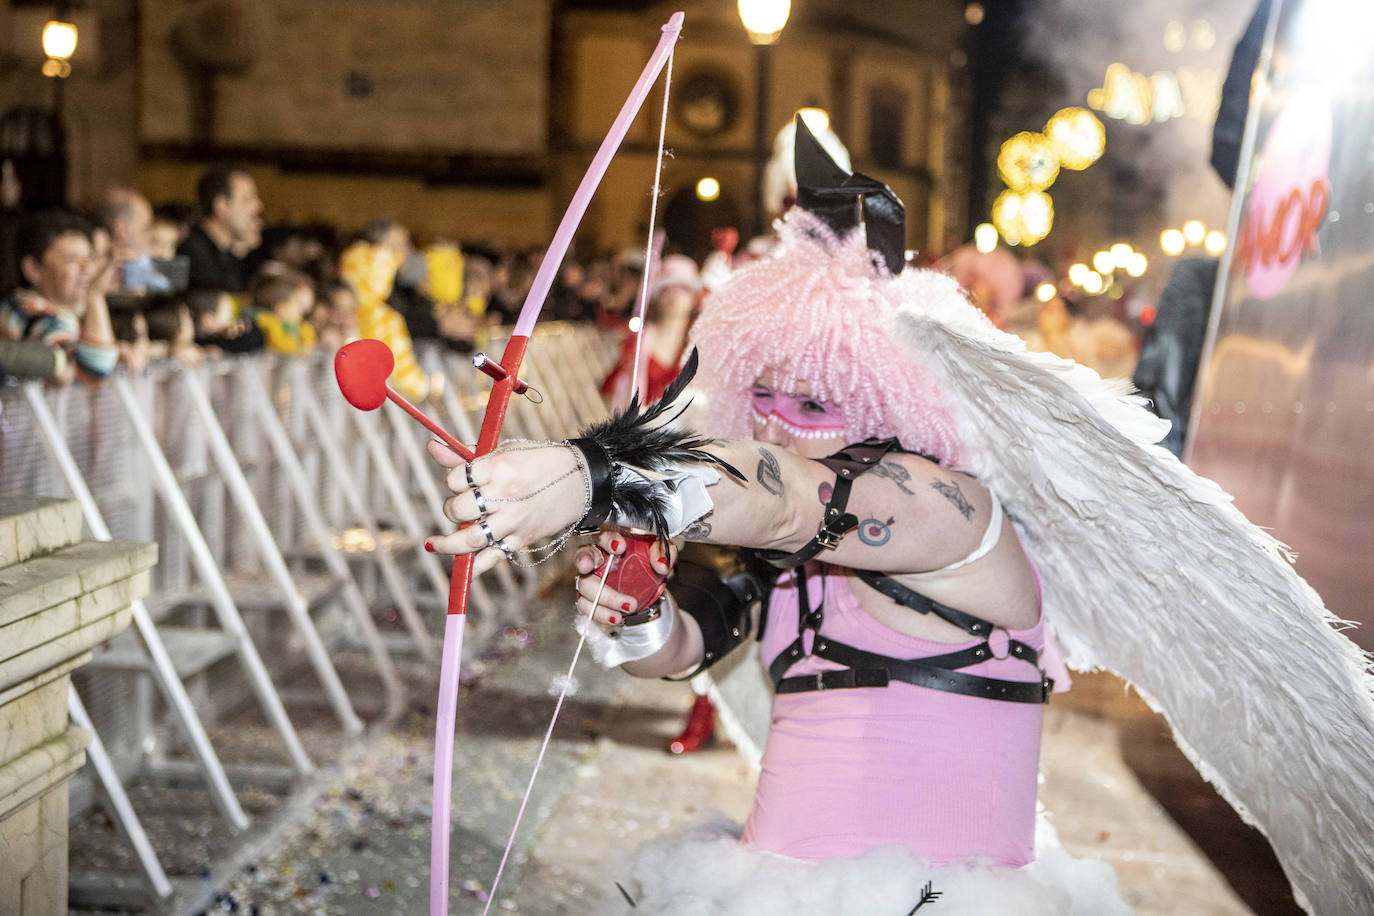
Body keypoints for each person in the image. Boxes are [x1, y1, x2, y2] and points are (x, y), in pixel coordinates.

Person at [425, 121, 1374, 914]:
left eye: (821, 391)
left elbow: (792, 494)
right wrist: (642, 614)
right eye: (770, 389)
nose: (791, 411)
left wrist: (594, 473)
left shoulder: (942, 512)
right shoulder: (791, 549)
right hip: (772, 885)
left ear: (890, 389)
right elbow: (700, 638)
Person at [1, 210, 118, 384]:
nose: (87, 269)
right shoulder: (30, 311)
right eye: (72, 259)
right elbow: (95, 369)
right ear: (33, 268)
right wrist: (95, 295)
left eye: (90, 258)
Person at [179, 165, 262, 296]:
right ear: (222, 206)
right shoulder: (192, 253)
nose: (257, 206)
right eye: (247, 199)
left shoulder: (226, 255)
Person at [249, 266, 316, 355]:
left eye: (305, 312)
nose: (300, 316)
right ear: (279, 306)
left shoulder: (300, 328)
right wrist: (299, 348)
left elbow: (308, 344)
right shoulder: (265, 321)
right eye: (299, 308)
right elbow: (279, 344)